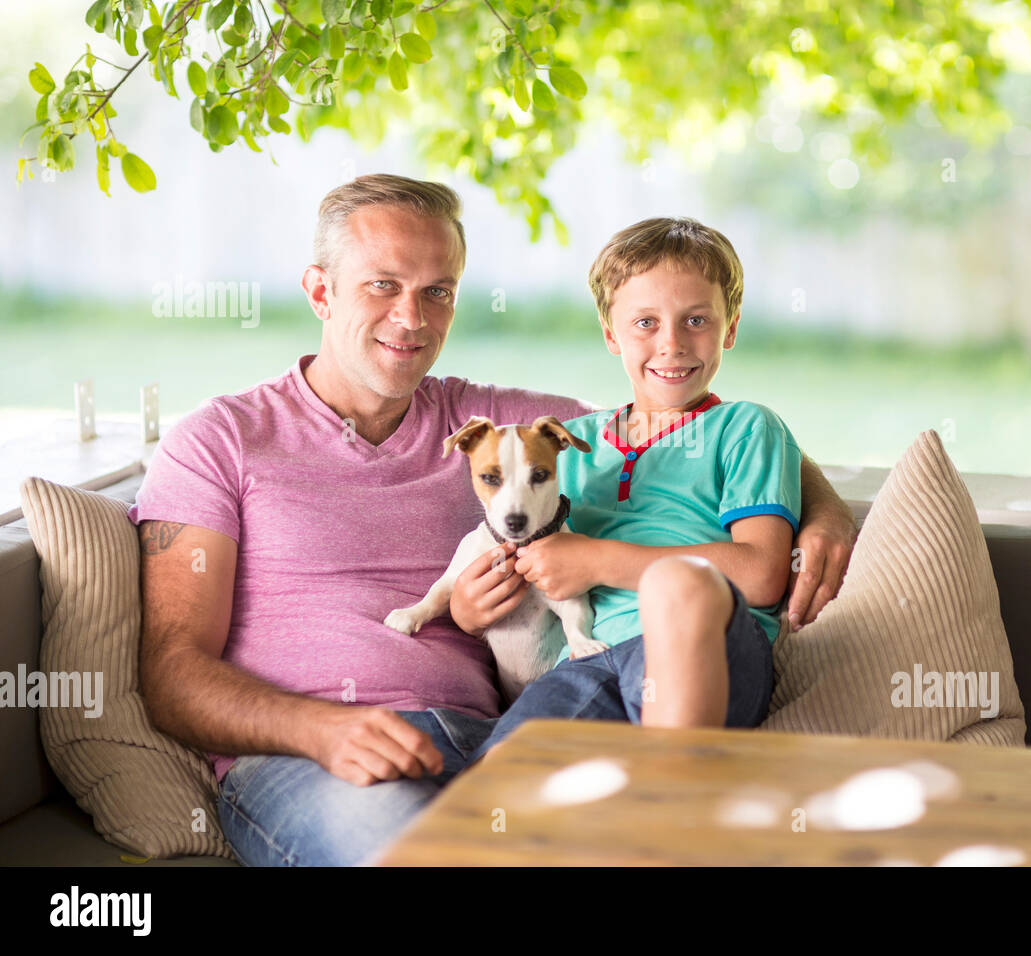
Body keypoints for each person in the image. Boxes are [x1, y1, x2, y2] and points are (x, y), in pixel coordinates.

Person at [130, 174, 858, 866]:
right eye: (382, 285)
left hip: (488, 736)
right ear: (320, 290)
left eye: (436, 292)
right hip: (316, 756)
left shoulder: (495, 427)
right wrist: (322, 729)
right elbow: (173, 674)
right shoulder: (220, 439)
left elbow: (680, 428)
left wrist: (821, 514)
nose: (411, 318)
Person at [452, 216, 801, 767]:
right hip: (588, 657)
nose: (671, 344)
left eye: (696, 320)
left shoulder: (746, 428)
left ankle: (673, 806)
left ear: (730, 328)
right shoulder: (570, 442)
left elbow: (761, 573)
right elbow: (512, 529)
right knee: (502, 772)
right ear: (611, 334)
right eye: (645, 322)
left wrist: (598, 559)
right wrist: (467, 609)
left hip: (708, 646)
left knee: (679, 586)